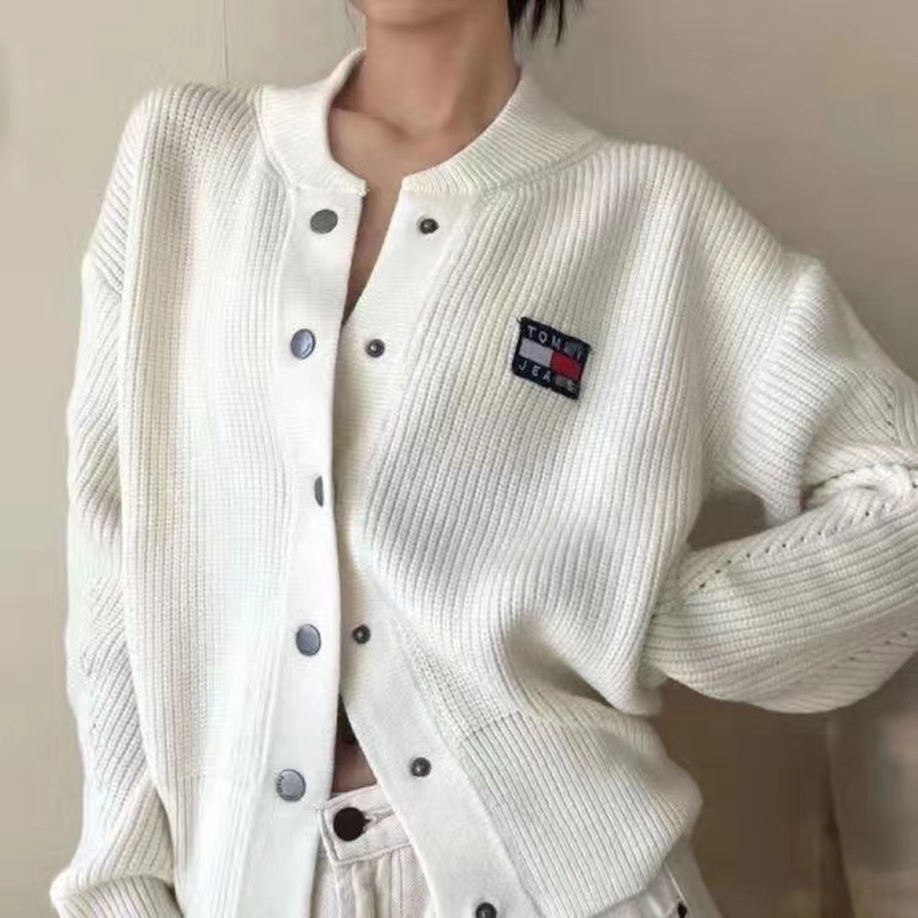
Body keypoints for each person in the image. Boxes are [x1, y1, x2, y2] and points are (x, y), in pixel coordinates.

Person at [50, 1, 918, 916]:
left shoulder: (646, 214)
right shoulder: (189, 161)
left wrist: (640, 612)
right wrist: (119, 887)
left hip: (581, 883)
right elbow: (114, 549)